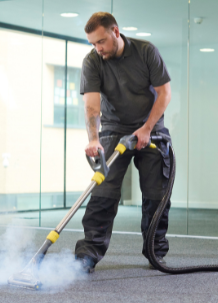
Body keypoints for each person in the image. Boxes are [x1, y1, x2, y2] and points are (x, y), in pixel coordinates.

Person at [74, 12, 172, 273]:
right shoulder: (93, 61)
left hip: (150, 130)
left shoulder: (145, 51)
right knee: (103, 193)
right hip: (114, 129)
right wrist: (93, 139)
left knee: (156, 195)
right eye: (93, 43)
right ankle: (88, 253)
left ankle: (155, 250)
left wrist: (147, 128)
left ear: (115, 31)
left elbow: (164, 93)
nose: (98, 48)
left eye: (102, 41)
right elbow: (92, 105)